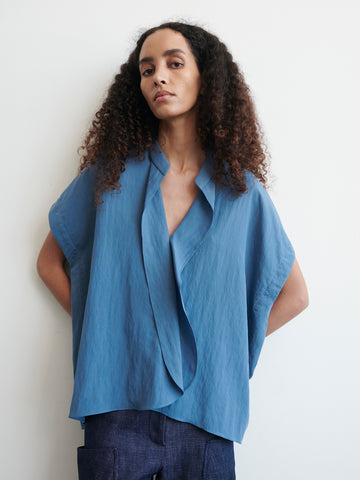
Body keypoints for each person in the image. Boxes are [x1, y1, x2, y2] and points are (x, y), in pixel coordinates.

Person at [36, 21, 309, 480]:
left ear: (208, 77)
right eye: (146, 70)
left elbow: (294, 296)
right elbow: (49, 262)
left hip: (207, 416)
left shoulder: (242, 194)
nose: (158, 77)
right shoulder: (110, 179)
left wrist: (225, 348)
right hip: (116, 407)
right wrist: (108, 328)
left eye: (174, 63)